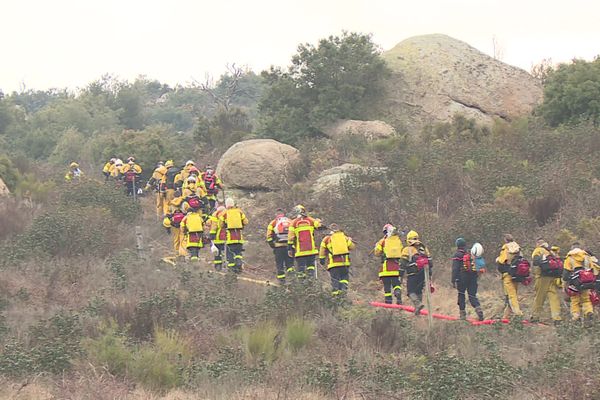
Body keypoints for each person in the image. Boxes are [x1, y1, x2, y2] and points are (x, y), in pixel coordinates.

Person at [530, 238, 563, 324]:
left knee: (539, 297)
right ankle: (557, 318)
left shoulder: (538, 250)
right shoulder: (551, 251)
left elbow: (536, 261)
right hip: (552, 276)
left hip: (542, 276)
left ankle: (535, 316)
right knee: (553, 297)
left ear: (538, 244)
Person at [399, 230, 433, 315]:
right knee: (419, 291)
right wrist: (429, 275)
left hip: (412, 274)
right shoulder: (423, 248)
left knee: (410, 291)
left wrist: (400, 276)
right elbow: (430, 263)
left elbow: (402, 264)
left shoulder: (407, 250)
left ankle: (418, 304)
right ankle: (418, 311)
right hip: (423, 274)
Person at [451, 238, 484, 321]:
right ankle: (478, 309)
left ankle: (462, 315)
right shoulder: (470, 253)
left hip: (462, 278)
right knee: (472, 295)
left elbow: (455, 268)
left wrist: (453, 280)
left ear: (457, 245)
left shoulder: (457, 255)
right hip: (473, 276)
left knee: (461, 294)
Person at [319, 224, 355, 296]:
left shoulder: (326, 239)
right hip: (345, 263)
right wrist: (350, 240)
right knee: (344, 279)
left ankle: (336, 297)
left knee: (335, 280)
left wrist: (322, 259)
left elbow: (322, 250)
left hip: (333, 265)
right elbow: (352, 247)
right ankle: (343, 292)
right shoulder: (344, 237)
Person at [563, 242, 594, 324]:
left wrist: (566, 282)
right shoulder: (586, 256)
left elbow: (565, 275)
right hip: (586, 281)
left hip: (574, 282)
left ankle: (576, 317)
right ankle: (589, 312)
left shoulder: (569, 257)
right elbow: (591, 269)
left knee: (574, 300)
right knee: (586, 299)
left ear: (572, 248)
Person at [287, 205, 322, 279]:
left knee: (301, 269)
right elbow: (319, 226)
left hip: (300, 251)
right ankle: (311, 281)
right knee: (311, 267)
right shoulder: (311, 220)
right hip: (311, 250)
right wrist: (318, 221)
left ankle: (302, 284)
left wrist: (290, 248)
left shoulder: (293, 223)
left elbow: (290, 237)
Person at [373, 224, 404, 304]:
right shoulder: (398, 240)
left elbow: (377, 253)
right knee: (396, 283)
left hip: (386, 268)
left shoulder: (382, 241)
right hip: (396, 267)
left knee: (387, 286)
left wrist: (376, 246)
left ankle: (388, 302)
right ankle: (399, 298)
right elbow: (402, 251)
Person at [496, 234, 524, 319]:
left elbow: (501, 261)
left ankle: (518, 314)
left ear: (505, 240)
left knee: (511, 296)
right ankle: (506, 316)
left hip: (507, 274)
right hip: (516, 274)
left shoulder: (506, 248)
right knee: (512, 294)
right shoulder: (518, 248)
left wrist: (497, 260)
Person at [266, 208, 293, 283]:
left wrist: (273, 245)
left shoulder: (273, 223)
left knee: (280, 265)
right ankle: (292, 280)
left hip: (278, 247)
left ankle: (282, 282)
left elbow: (268, 236)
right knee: (290, 264)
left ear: (276, 214)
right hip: (289, 247)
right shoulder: (290, 221)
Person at [221, 197, 248, 274]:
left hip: (230, 237)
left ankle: (231, 270)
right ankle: (239, 264)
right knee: (238, 252)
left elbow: (220, 224)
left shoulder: (225, 213)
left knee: (230, 254)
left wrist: (225, 225)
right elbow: (246, 222)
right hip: (239, 236)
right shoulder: (239, 212)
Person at [209, 206, 227, 271]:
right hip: (226, 236)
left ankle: (218, 266)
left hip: (217, 237)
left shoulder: (215, 215)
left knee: (217, 253)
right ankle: (225, 266)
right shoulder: (226, 214)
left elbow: (213, 226)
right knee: (224, 252)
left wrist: (211, 235)